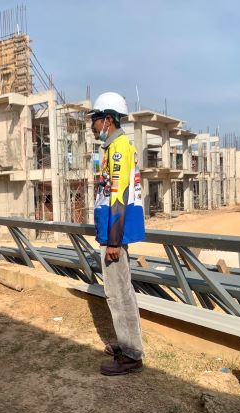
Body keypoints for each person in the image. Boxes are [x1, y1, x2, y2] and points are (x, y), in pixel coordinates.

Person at [89, 92, 146, 376]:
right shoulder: (113, 147)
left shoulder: (119, 148)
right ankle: (127, 345)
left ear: (108, 120)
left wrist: (113, 241)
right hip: (112, 231)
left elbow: (119, 195)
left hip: (115, 234)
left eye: (95, 119)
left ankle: (131, 355)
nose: (92, 125)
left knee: (118, 294)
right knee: (121, 291)